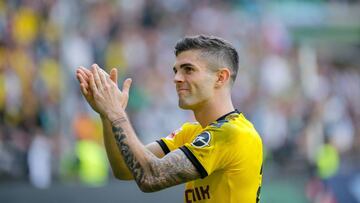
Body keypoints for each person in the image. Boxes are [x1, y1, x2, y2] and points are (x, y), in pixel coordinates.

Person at [76, 35, 263, 203]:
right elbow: (125, 169)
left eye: (188, 70)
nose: (177, 78)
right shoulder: (192, 132)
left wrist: (116, 114)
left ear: (220, 78)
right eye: (176, 71)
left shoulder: (234, 133)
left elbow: (151, 177)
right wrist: (107, 115)